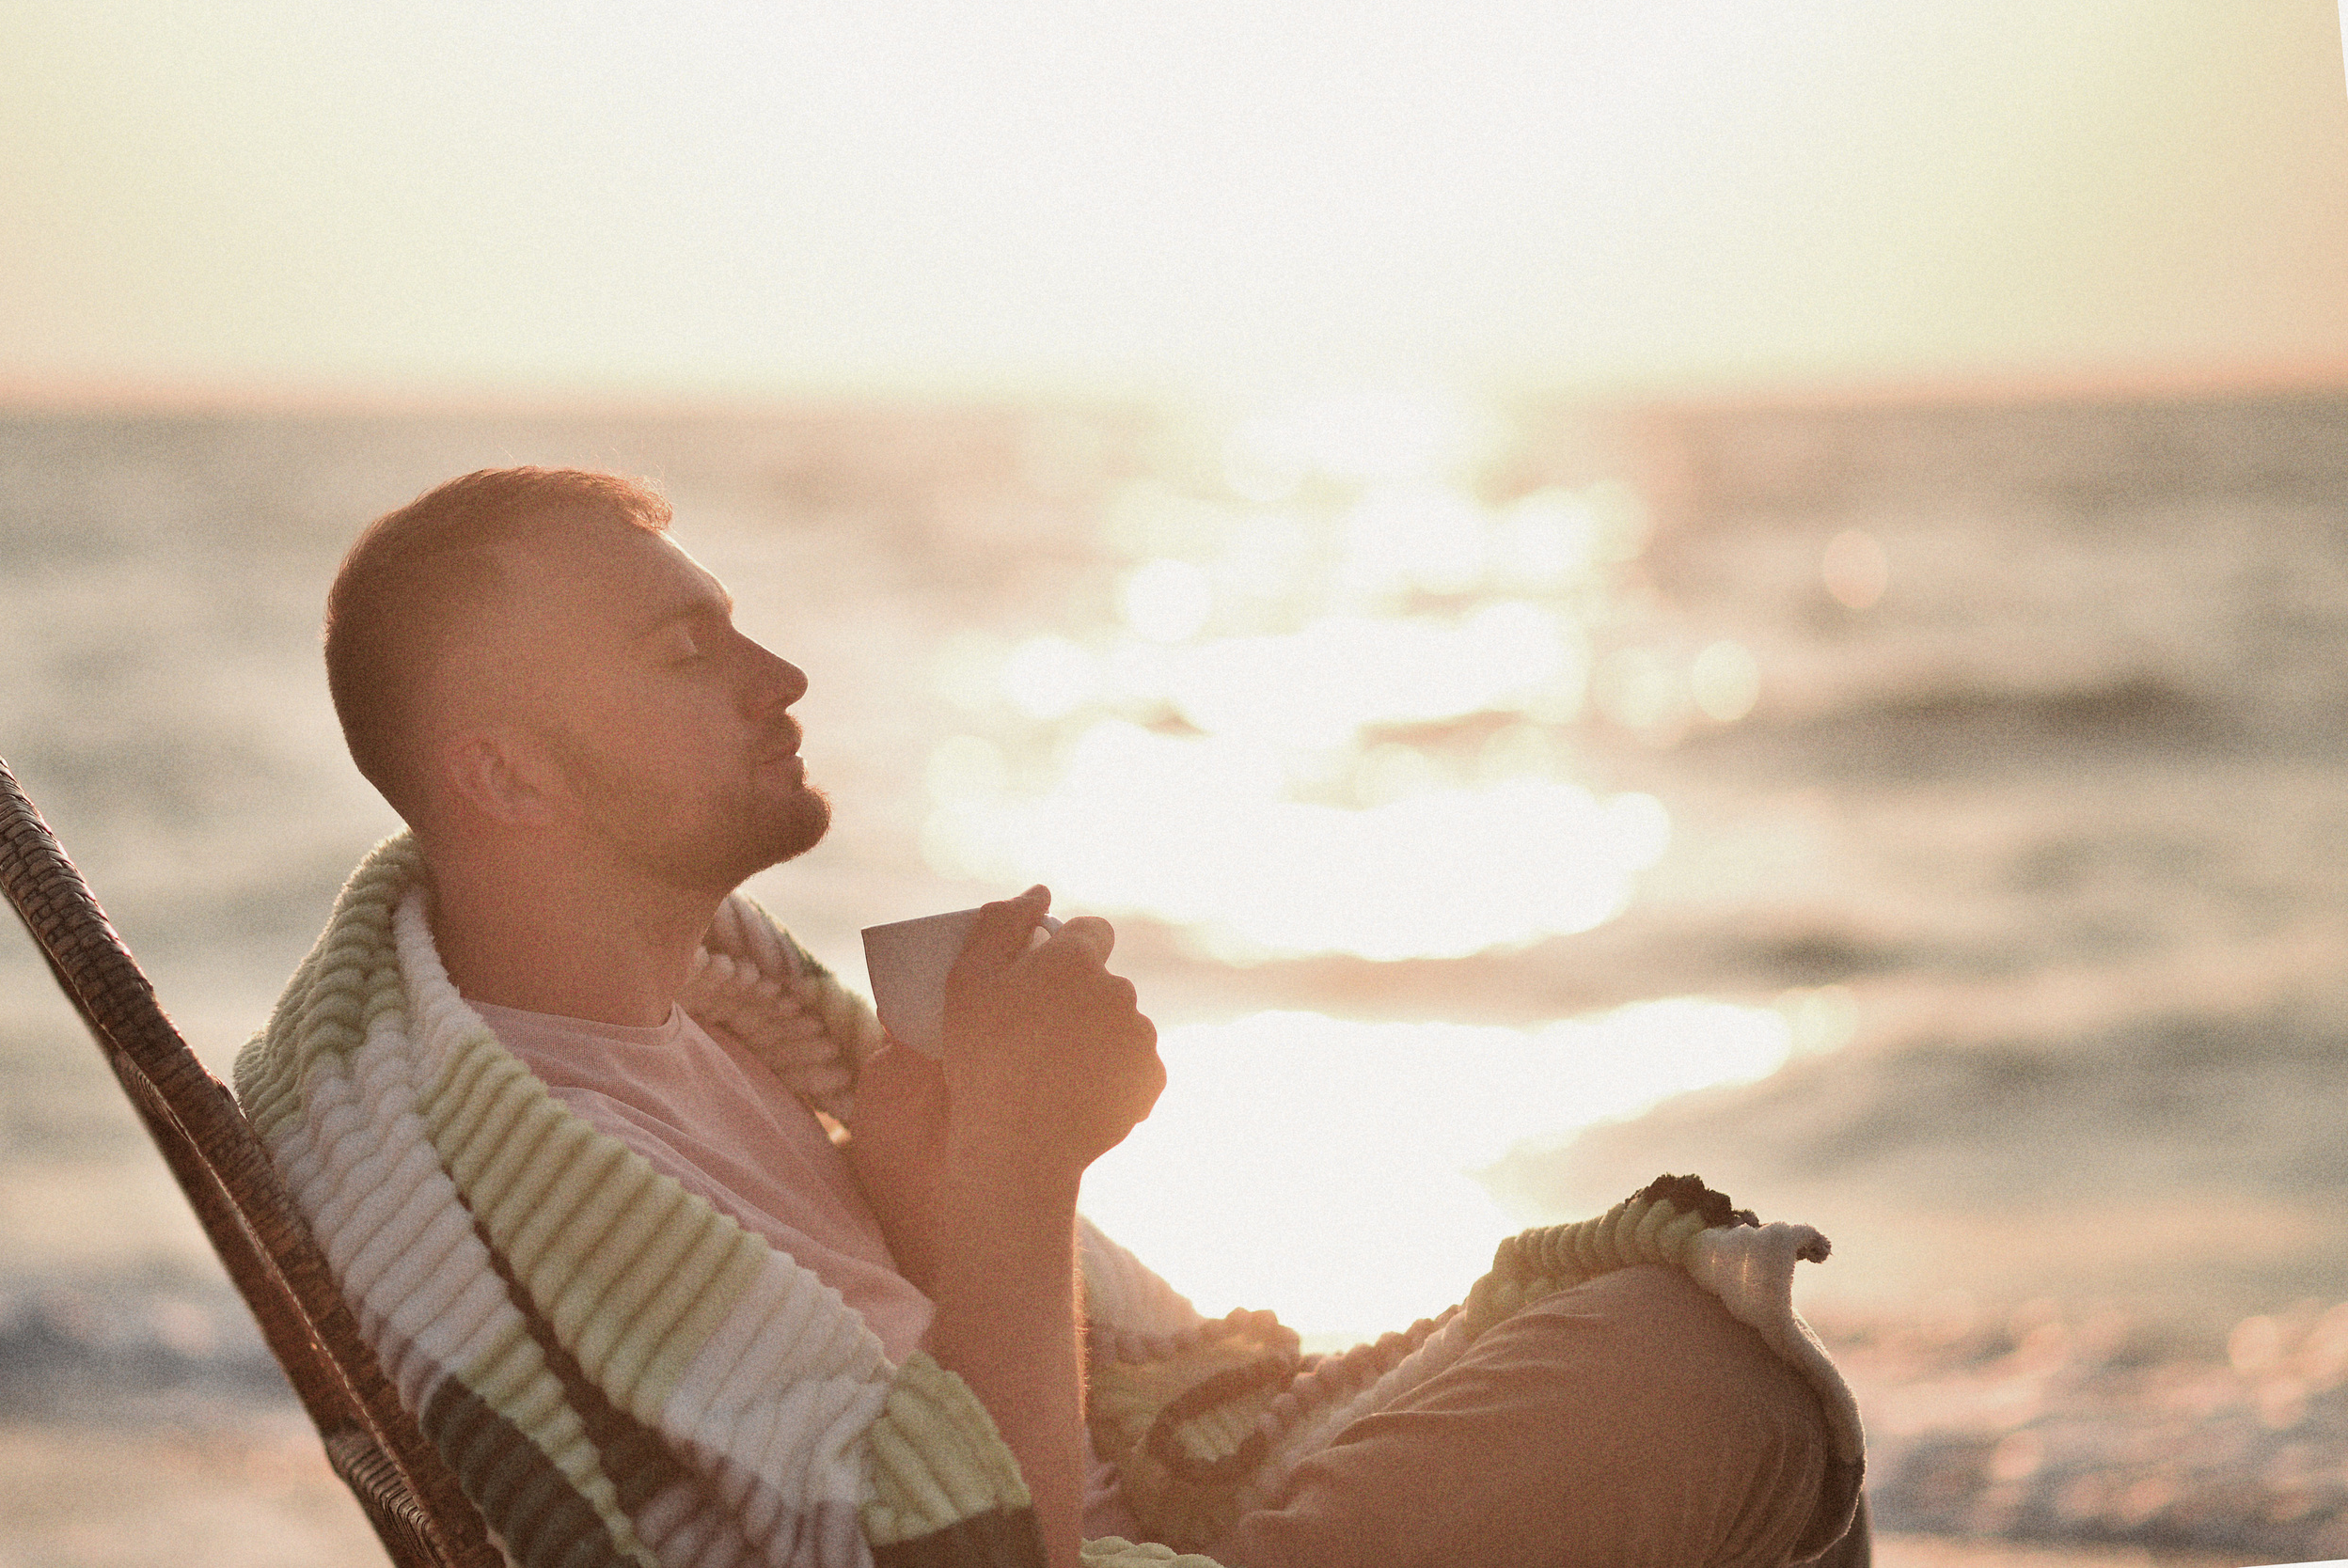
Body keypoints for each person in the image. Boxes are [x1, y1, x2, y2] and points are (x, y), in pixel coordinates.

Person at [246, 465, 1867, 1568]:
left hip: (1143, 1497)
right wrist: (1026, 1160)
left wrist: (928, 1188)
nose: (780, 673)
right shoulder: (523, 1168)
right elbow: (957, 1546)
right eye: (689, 649)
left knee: (1679, 1342)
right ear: (507, 773)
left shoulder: (728, 1032)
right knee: (1699, 1384)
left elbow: (920, 1392)